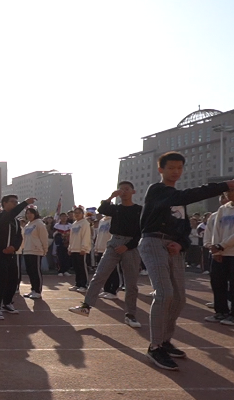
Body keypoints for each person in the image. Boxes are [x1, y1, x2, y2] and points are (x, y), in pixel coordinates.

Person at [137, 152, 233, 371]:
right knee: (164, 293)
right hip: (153, 243)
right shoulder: (157, 190)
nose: (176, 172)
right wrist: (224, 185)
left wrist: (181, 244)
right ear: (160, 169)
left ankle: (165, 341)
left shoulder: (178, 200)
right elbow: (185, 196)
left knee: (179, 297)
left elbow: (182, 227)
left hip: (173, 248)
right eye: (171, 168)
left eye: (180, 168)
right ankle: (155, 346)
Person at [69, 183, 143, 328]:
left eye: (126, 189)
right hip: (114, 242)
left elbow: (141, 232)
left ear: (133, 191)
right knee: (99, 275)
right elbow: (102, 209)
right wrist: (111, 196)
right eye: (121, 189)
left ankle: (130, 315)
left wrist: (128, 246)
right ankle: (86, 306)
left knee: (131, 283)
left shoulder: (139, 210)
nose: (124, 192)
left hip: (131, 245)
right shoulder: (116, 208)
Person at [0, 195, 36, 319]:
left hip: (11, 254)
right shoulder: (0, 216)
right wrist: (25, 203)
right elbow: (11, 214)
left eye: (17, 202)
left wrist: (14, 247)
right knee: (1, 279)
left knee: (13, 279)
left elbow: (19, 237)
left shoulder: (15, 221)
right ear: (4, 203)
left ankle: (7, 303)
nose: (15, 204)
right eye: (12, 202)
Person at [207, 192, 234, 325]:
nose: (230, 195)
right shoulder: (223, 209)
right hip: (220, 253)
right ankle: (221, 311)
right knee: (217, 283)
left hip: (231, 252)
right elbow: (215, 230)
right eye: (228, 192)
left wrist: (221, 245)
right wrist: (216, 250)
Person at [20, 207, 48, 299]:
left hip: (36, 251)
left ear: (35, 214)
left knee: (36, 271)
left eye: (31, 213)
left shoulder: (39, 224)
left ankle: (38, 290)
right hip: (27, 250)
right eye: (27, 213)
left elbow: (44, 238)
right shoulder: (28, 225)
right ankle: (33, 289)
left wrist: (45, 249)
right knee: (30, 271)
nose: (29, 215)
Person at [67, 207, 91, 293]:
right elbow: (72, 237)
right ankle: (78, 284)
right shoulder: (74, 224)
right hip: (74, 248)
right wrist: (70, 247)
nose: (76, 214)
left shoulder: (85, 223)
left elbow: (86, 236)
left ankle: (84, 285)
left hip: (81, 249)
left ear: (82, 214)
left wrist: (84, 248)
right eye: (75, 213)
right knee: (76, 268)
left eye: (79, 213)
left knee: (82, 267)